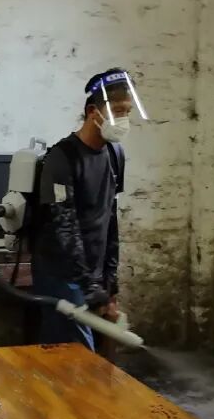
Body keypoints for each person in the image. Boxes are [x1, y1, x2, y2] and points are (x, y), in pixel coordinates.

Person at [31, 67, 147, 350]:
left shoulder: (114, 154)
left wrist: (109, 281)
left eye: (127, 112)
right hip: (60, 273)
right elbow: (64, 226)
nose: (124, 119)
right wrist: (88, 285)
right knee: (74, 354)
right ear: (93, 112)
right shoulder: (61, 158)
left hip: (93, 272)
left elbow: (110, 218)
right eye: (117, 111)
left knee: (79, 358)